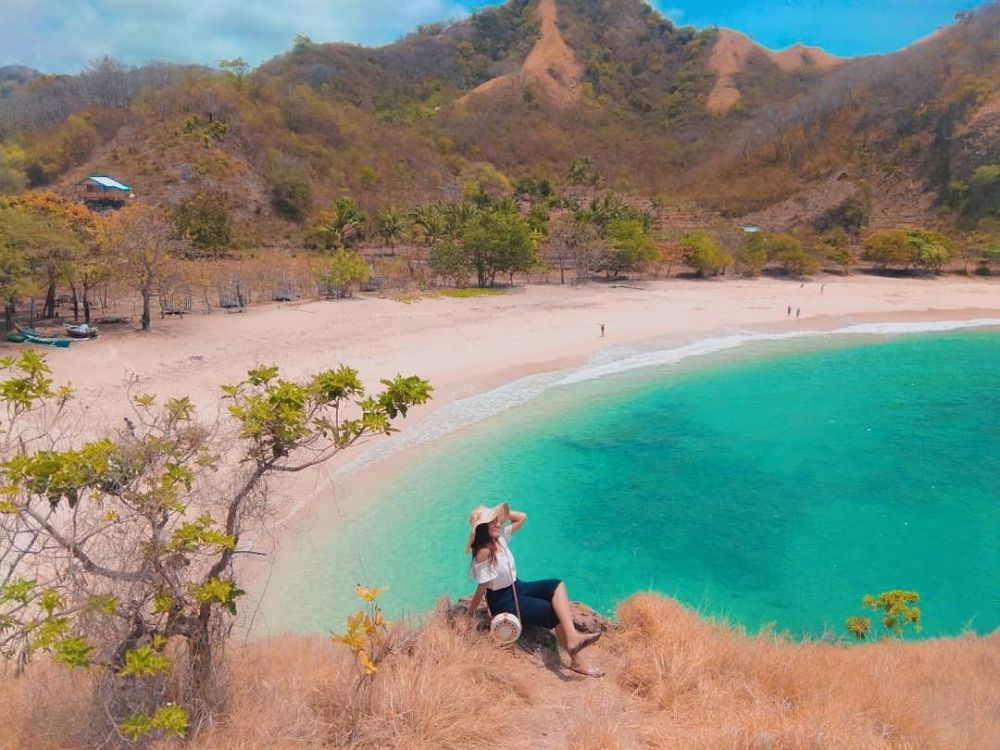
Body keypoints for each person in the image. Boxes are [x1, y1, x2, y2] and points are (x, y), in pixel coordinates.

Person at [464, 502, 603, 677]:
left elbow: (522, 517)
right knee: (552, 612)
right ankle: (577, 662)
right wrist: (469, 616)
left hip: (517, 586)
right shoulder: (484, 551)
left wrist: (499, 516)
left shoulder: (499, 538)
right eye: (492, 522)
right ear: (482, 528)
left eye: (497, 520)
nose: (498, 524)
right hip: (504, 600)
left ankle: (573, 636)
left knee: (556, 585)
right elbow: (481, 587)